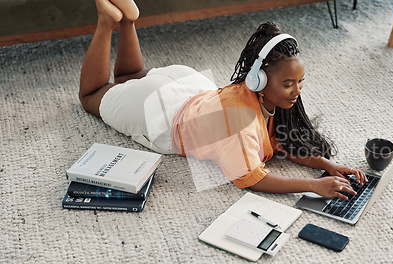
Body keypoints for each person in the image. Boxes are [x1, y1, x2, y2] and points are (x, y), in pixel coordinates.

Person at [79, 0, 367, 199]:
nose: (297, 91)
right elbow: (255, 179)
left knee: (131, 75)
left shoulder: (260, 95)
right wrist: (314, 187)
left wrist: (326, 166)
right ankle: (107, 22)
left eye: (300, 82)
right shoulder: (240, 126)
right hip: (159, 113)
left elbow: (278, 143)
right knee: (91, 95)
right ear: (261, 81)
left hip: (188, 87)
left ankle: (128, 20)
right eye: (289, 84)